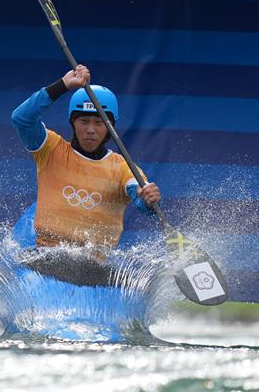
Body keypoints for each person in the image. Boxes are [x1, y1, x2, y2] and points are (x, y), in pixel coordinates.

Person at [10, 65, 161, 266]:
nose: (91, 130)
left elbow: (138, 195)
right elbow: (21, 119)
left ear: (110, 127)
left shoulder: (123, 167)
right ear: (73, 123)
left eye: (99, 123)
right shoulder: (51, 148)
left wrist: (148, 200)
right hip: (47, 257)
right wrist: (63, 85)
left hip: (95, 267)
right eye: (84, 121)